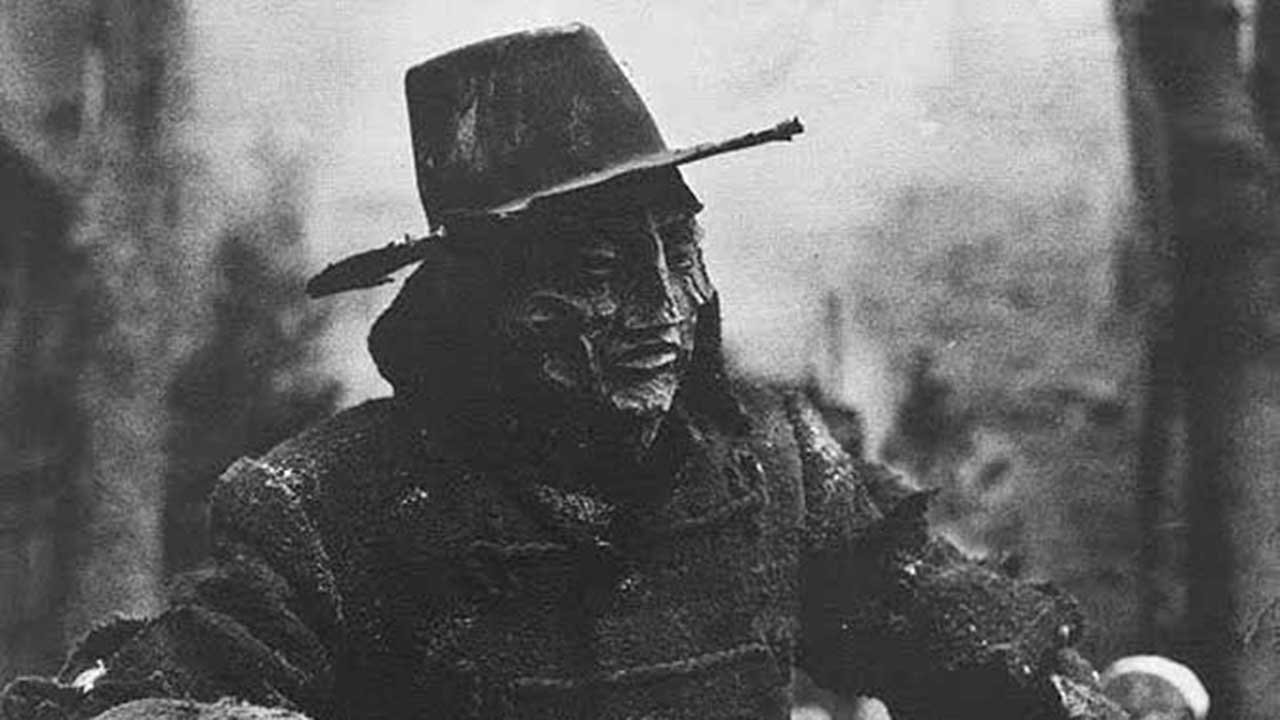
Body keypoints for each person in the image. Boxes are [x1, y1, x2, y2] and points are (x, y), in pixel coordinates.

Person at [3, 23, 1126, 720]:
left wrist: (1070, 697)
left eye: (677, 249)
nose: (662, 304)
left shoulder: (772, 461)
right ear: (481, 303)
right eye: (595, 267)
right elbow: (157, 695)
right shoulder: (330, 508)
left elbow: (935, 617)